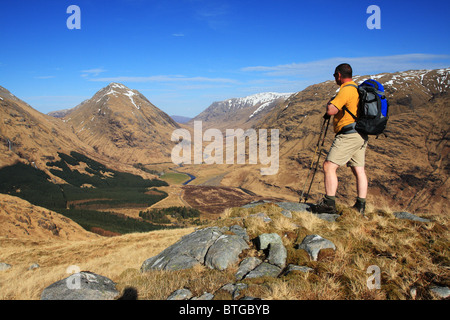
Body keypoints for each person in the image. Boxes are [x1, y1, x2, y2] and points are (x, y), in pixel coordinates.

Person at [311, 63, 368, 216]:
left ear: (339, 75)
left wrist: (330, 103)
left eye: (335, 76)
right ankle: (360, 206)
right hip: (361, 134)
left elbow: (331, 110)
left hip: (348, 135)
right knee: (359, 170)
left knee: (329, 166)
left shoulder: (346, 89)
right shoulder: (357, 89)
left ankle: (329, 203)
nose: (335, 79)